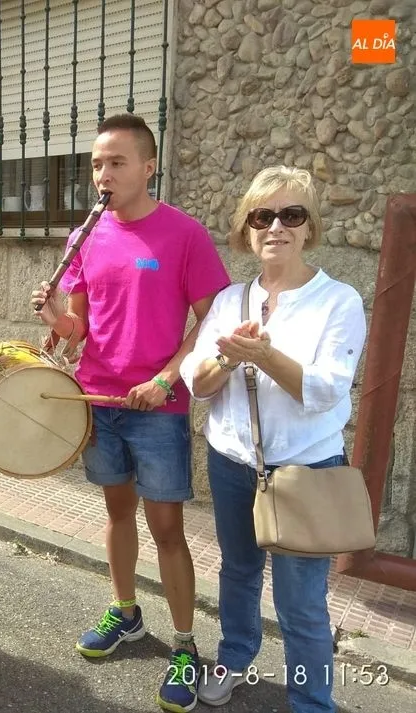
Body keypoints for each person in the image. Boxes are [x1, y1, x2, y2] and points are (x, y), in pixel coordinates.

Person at [31, 114, 231, 712]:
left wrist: (166, 379)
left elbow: (212, 322)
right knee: (117, 513)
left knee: (167, 529)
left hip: (157, 407)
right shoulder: (85, 235)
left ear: (148, 167)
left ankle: (185, 646)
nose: (104, 174)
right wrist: (56, 321)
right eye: (97, 164)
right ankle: (126, 612)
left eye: (116, 162)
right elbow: (79, 328)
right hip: (99, 400)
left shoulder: (184, 234)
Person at [180, 166, 365, 712]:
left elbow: (326, 390)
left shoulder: (338, 301)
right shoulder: (231, 301)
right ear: (248, 228)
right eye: (263, 216)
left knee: (300, 602)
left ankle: (311, 700)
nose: (276, 227)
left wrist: (264, 356)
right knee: (238, 571)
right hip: (233, 462)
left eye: (291, 214)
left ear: (309, 227)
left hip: (305, 470)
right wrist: (226, 358)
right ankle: (235, 659)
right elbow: (197, 383)